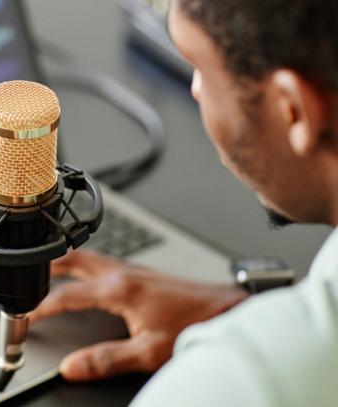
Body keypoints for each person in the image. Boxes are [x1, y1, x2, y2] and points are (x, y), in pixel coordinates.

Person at [31, 0, 338, 405]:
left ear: (292, 110)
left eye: (198, 65)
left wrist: (252, 344)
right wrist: (253, 307)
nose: (194, 89)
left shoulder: (243, 383)